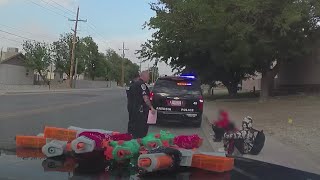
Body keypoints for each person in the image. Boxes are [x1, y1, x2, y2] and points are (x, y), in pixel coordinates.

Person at [128, 71, 156, 138]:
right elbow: (145, 98)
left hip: (132, 109)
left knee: (132, 127)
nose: (149, 78)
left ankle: (131, 140)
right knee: (141, 128)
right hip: (141, 111)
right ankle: (140, 142)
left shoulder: (133, 84)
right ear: (144, 76)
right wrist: (151, 107)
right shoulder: (142, 85)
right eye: (148, 76)